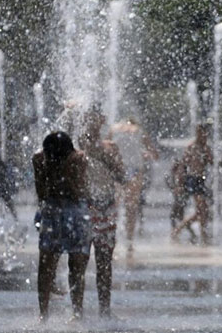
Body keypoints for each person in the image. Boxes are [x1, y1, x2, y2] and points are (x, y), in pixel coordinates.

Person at [33, 131, 89, 322]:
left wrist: (66, 172)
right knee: (46, 263)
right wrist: (49, 174)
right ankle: (43, 314)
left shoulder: (79, 159)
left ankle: (77, 313)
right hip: (52, 209)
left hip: (76, 210)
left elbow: (78, 192)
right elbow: (41, 192)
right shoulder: (39, 159)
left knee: (77, 264)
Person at [78, 109, 126, 318]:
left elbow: (122, 176)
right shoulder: (75, 149)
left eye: (95, 118)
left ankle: (104, 310)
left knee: (104, 261)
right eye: (88, 118)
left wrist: (106, 157)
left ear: (102, 120)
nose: (92, 122)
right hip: (82, 209)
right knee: (78, 261)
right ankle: (77, 312)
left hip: (106, 209)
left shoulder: (110, 148)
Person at [110, 117, 158, 257]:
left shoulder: (114, 129)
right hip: (135, 171)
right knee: (131, 207)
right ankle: (129, 242)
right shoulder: (140, 131)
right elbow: (155, 154)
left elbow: (105, 147)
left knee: (114, 207)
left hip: (118, 169)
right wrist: (147, 154)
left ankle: (111, 238)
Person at [172, 124, 213, 245]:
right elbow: (182, 165)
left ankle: (179, 230)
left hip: (202, 180)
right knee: (201, 210)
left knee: (202, 211)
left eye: (204, 133)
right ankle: (202, 236)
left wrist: (208, 155)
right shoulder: (192, 147)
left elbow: (212, 162)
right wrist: (179, 183)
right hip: (193, 180)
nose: (203, 135)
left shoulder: (206, 148)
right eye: (200, 133)